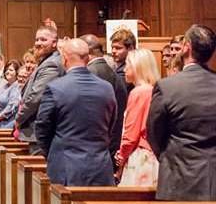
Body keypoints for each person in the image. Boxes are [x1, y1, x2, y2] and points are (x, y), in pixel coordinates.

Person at [147, 24, 216, 200]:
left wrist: (168, 156)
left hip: (178, 179)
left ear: (186, 47)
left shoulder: (167, 86)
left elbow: (154, 133)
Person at [35, 39, 116, 186]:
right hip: (100, 166)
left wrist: (53, 153)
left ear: (64, 58)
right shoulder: (107, 88)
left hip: (65, 167)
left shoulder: (55, 88)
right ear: (88, 58)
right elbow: (112, 126)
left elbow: (42, 128)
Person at [15, 25, 65, 153]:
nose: (38, 43)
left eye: (43, 40)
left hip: (42, 130)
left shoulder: (52, 64)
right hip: (37, 130)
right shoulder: (46, 61)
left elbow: (35, 97)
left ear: (54, 43)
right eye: (37, 39)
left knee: (39, 171)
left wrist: (19, 118)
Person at [81, 34, 128, 168]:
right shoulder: (113, 73)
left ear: (87, 53)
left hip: (93, 147)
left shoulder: (89, 75)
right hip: (112, 142)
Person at [115, 49, 160, 186]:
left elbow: (132, 132)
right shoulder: (153, 89)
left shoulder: (138, 92)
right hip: (153, 155)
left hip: (140, 156)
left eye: (128, 64)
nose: (124, 69)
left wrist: (121, 156)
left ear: (137, 67)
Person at [0, 59, 21, 129]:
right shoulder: (5, 86)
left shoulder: (17, 86)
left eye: (11, 70)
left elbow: (11, 107)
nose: (7, 72)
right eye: (6, 70)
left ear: (17, 72)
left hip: (7, 124)